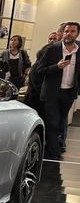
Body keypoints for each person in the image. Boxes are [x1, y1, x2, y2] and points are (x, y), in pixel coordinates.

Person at [33, 21, 80, 160]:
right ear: (63, 33)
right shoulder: (52, 49)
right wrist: (56, 67)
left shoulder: (79, 50)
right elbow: (39, 71)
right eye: (66, 31)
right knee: (52, 122)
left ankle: (54, 149)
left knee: (60, 123)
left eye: (72, 31)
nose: (68, 34)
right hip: (52, 93)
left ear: (77, 34)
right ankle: (54, 154)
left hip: (69, 93)